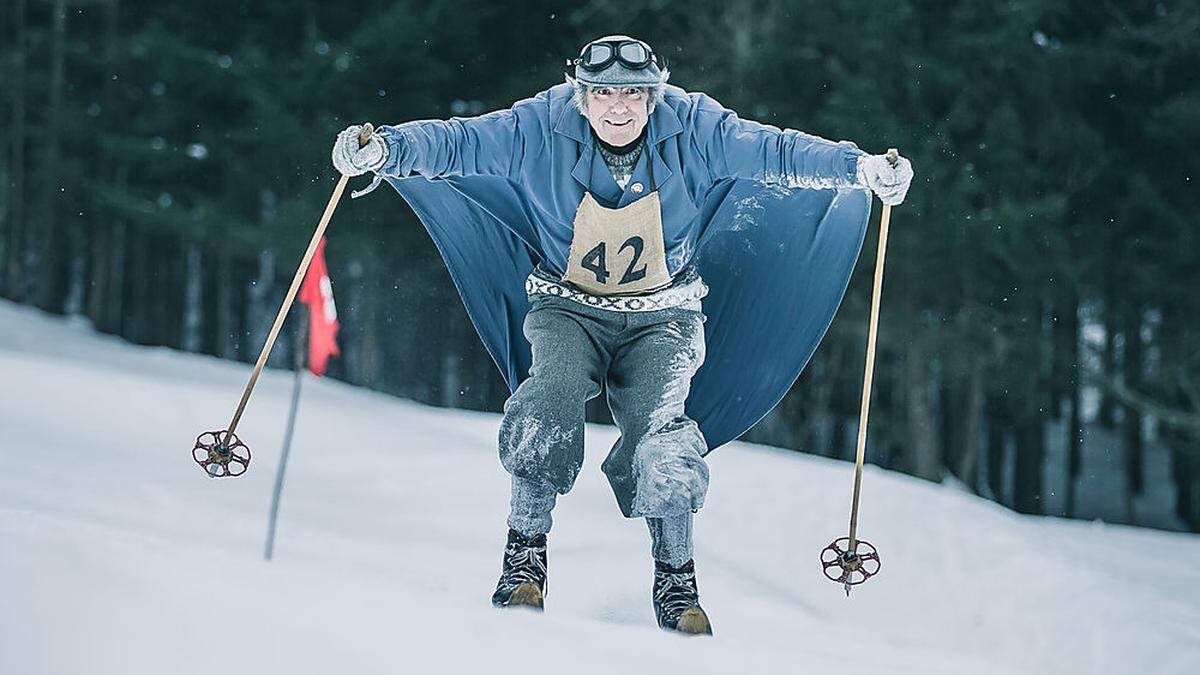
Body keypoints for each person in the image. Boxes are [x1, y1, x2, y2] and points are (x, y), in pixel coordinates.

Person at [332, 35, 913, 636]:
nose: (618, 108)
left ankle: (675, 578)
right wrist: (386, 148)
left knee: (661, 429)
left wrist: (857, 167)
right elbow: (461, 142)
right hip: (569, 307)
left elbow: (774, 151)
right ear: (579, 97)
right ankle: (524, 555)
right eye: (603, 93)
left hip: (665, 315)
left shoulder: (695, 128)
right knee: (547, 397)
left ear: (654, 96)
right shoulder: (539, 126)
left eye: (633, 94)